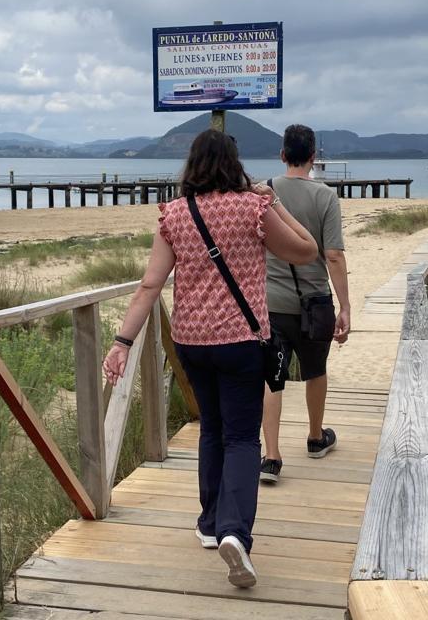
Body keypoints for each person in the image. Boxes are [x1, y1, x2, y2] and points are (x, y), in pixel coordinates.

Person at [102, 129, 317, 589]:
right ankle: (235, 533)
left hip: (191, 342)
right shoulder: (252, 207)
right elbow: (306, 250)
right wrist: (274, 202)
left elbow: (149, 285)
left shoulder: (175, 215)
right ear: (234, 163)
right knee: (242, 437)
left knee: (213, 430)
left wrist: (122, 341)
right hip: (241, 340)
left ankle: (208, 521)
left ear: (192, 166)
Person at [259, 125, 351, 484]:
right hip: (315, 302)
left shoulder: (265, 191)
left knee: (272, 378)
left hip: (272, 302)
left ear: (282, 155)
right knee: (316, 370)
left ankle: (272, 456)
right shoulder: (325, 196)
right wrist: (345, 306)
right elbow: (333, 255)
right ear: (313, 157)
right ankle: (315, 437)